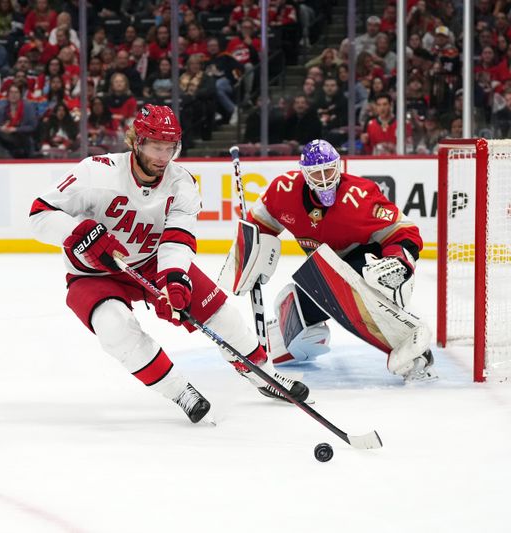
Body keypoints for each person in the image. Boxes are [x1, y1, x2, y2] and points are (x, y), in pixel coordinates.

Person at [29, 104, 309, 423]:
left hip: (150, 263)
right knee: (114, 326)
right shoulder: (96, 171)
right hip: (92, 273)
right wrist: (80, 233)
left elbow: (177, 238)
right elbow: (39, 214)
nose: (163, 156)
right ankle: (179, 391)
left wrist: (174, 281)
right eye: (155, 146)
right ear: (137, 142)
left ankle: (265, 376)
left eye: (170, 148)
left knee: (222, 315)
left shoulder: (182, 183)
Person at [244, 139, 434, 380]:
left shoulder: (359, 196)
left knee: (352, 282)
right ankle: (285, 338)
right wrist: (252, 252)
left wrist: (398, 260)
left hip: (365, 263)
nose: (324, 179)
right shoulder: (284, 190)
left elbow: (404, 230)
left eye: (329, 170)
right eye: (316, 173)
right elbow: (260, 223)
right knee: (294, 314)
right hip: (322, 274)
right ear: (304, 174)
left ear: (339, 166)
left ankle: (405, 340)